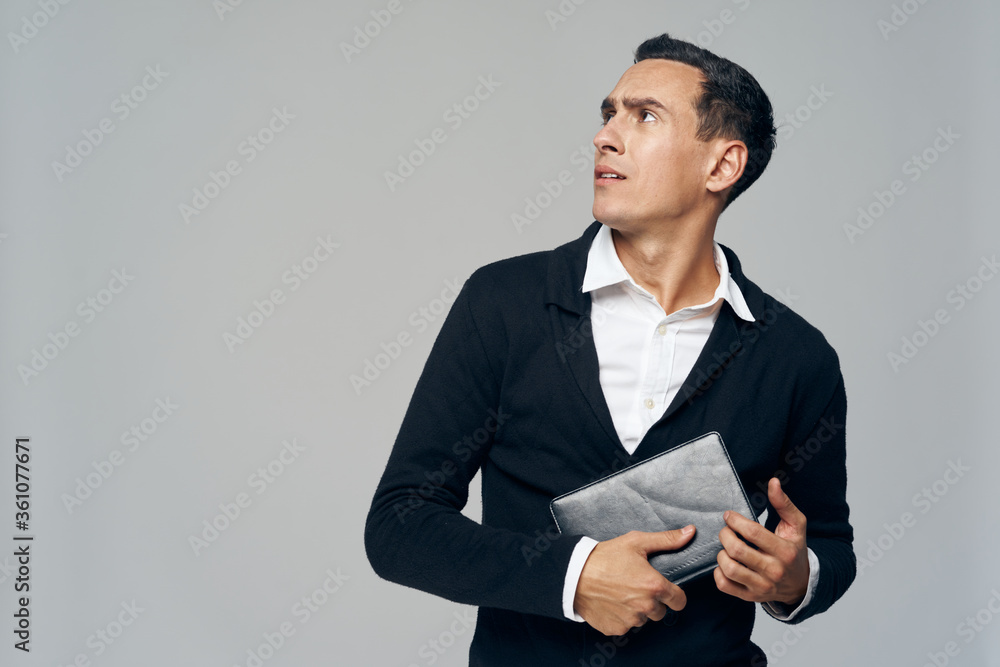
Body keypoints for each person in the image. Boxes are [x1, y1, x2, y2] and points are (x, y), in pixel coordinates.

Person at [364, 33, 854, 666]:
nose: (605, 137)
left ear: (722, 166)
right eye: (609, 114)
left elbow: (829, 546)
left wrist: (795, 578)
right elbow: (399, 525)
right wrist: (572, 578)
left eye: (645, 116)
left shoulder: (797, 357)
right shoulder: (505, 304)